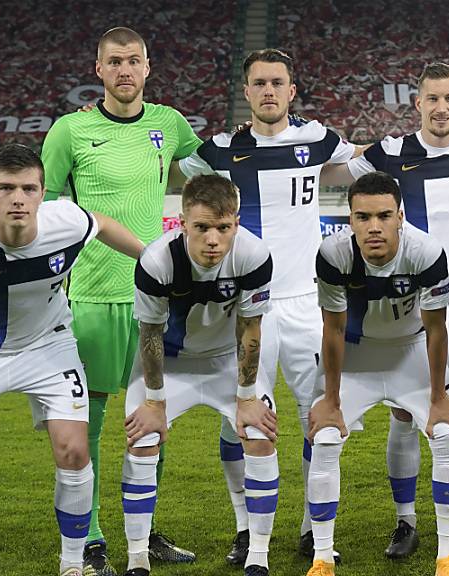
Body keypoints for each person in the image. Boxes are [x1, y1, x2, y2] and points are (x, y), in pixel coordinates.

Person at [178, 48, 356, 564]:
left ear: (292, 90)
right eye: (259, 83)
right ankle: (243, 527)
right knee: (241, 419)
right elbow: (177, 173)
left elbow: (361, 161)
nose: (269, 91)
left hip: (307, 302)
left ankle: (311, 527)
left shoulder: (318, 139)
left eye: (278, 82)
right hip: (243, 305)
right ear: (247, 91)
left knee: (318, 416)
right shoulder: (217, 150)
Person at [0, 144, 144, 576]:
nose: (18, 198)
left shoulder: (64, 221)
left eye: (28, 188)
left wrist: (151, 258)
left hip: (49, 345)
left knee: (73, 450)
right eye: (7, 188)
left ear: (42, 192)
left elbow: (101, 224)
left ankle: (72, 565)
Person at [40, 26, 203, 575]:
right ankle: (89, 537)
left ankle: (144, 528)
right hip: (91, 297)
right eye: (115, 62)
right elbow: (47, 210)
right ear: (99, 69)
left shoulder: (169, 124)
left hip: (154, 299)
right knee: (90, 421)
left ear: (148, 68)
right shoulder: (70, 130)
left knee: (153, 415)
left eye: (134, 61)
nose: (125, 70)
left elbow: (215, 172)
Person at [320, 61, 449, 557]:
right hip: (408, 303)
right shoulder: (390, 153)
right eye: (431, 99)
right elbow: (338, 171)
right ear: (417, 104)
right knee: (404, 413)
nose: (441, 108)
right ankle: (405, 522)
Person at [305, 172, 449, 576]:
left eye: (383, 216)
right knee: (324, 440)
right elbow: (334, 329)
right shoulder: (332, 254)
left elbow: (436, 328)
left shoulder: (425, 251)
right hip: (357, 356)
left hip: (410, 351)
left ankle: (447, 556)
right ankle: (322, 558)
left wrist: (437, 397)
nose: (374, 227)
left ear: (400, 216)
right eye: (363, 217)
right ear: (349, 219)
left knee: (445, 435)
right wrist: (331, 399)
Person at [121, 175, 277, 576]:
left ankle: (257, 554)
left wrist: (246, 396)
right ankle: (137, 558)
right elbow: (150, 335)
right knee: (143, 436)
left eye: (223, 228)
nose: (213, 239)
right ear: (182, 222)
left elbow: (251, 330)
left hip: (227, 359)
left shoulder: (254, 255)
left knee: (259, 434)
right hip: (171, 363)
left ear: (236, 224)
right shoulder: (156, 261)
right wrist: (155, 403)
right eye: (202, 227)